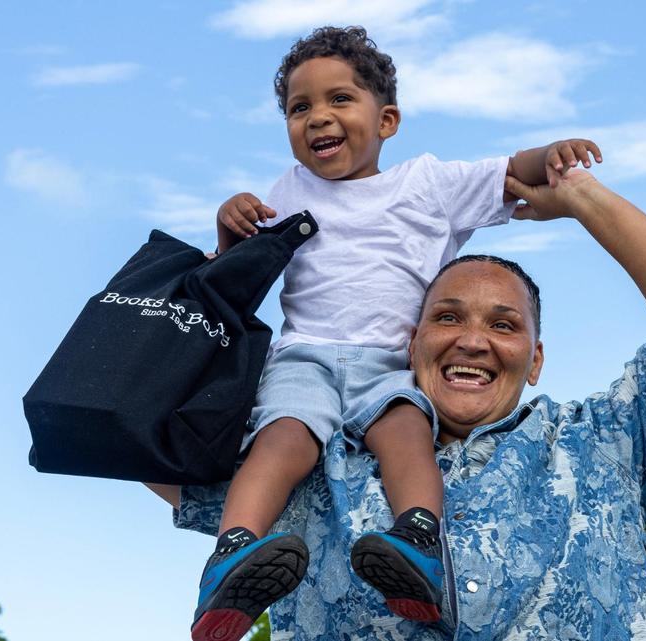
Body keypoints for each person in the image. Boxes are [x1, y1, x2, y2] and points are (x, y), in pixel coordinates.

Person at [148, 167, 646, 640]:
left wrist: (581, 197)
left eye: (505, 325)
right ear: (411, 345)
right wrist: (221, 279)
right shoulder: (314, 465)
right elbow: (138, 437)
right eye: (447, 317)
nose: (472, 339)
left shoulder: (604, 442)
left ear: (536, 359)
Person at [180, 25, 601, 640]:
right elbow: (237, 275)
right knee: (283, 439)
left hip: (390, 360)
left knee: (405, 430)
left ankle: (417, 544)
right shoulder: (286, 191)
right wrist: (228, 226)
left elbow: (511, 169)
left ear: (387, 120)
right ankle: (231, 557)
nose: (318, 117)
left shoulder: (428, 185)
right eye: (300, 108)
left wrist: (554, 155)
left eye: (339, 99)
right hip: (305, 357)